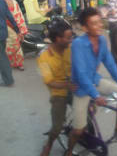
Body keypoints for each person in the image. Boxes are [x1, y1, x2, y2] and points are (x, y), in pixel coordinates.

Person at [65, 7, 117, 156]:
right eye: (94, 23)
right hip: (82, 87)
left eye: (100, 22)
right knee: (78, 130)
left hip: (95, 80)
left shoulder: (102, 39)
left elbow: (110, 64)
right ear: (85, 27)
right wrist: (96, 96)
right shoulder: (78, 45)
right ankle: (69, 151)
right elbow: (81, 75)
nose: (100, 25)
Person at [37, 17, 77, 156]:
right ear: (58, 39)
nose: (71, 40)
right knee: (57, 127)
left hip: (73, 87)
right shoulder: (43, 57)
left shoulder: (70, 48)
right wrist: (67, 84)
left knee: (91, 109)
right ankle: (49, 144)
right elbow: (49, 81)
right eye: (68, 38)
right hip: (58, 93)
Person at [0, 0, 28, 71]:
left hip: (8, 27)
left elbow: (7, 17)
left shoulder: (2, 3)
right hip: (17, 25)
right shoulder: (14, 1)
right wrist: (21, 28)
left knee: (8, 46)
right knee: (17, 46)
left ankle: (9, 64)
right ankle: (19, 64)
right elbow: (19, 13)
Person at [0, 0, 21, 87]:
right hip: (3, 33)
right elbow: (10, 16)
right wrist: (17, 30)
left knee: (2, 57)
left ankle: (8, 80)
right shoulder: (3, 2)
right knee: (2, 55)